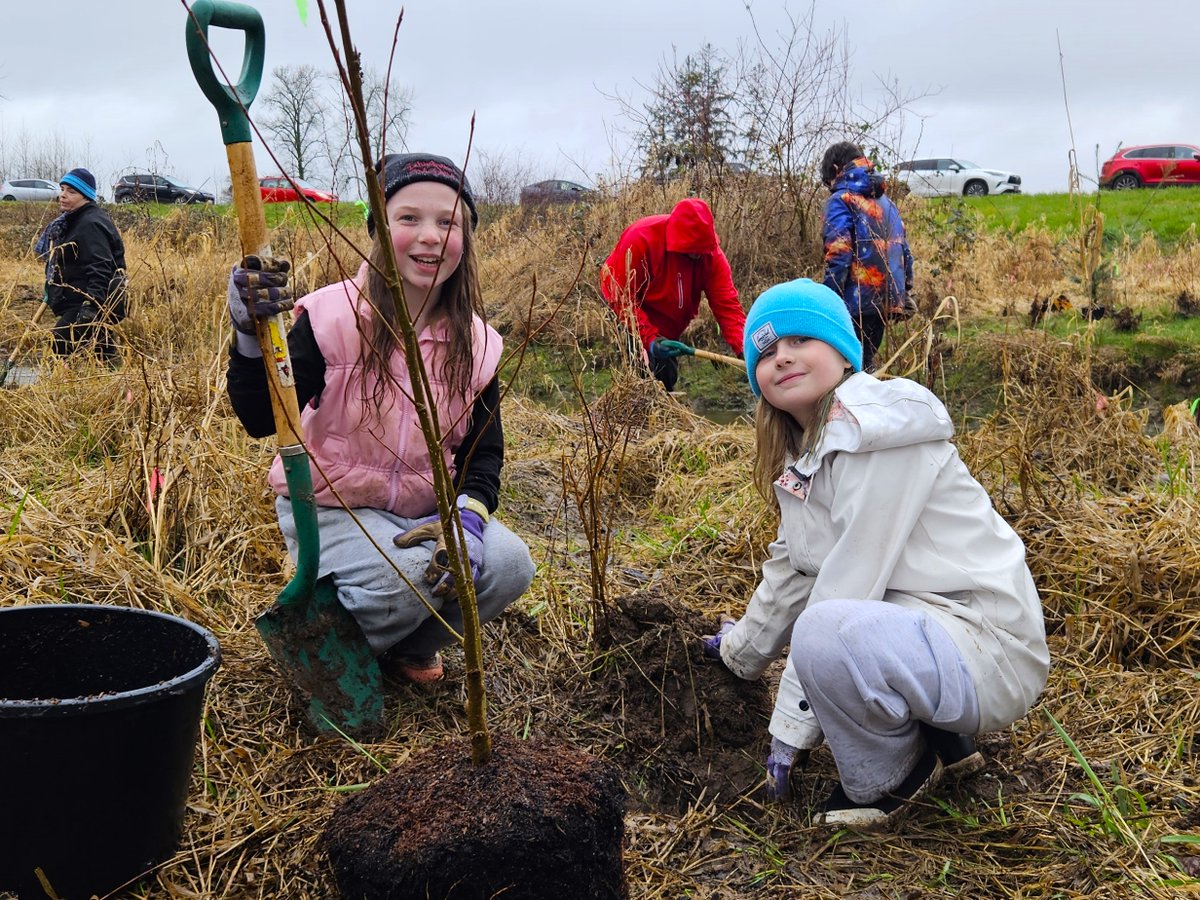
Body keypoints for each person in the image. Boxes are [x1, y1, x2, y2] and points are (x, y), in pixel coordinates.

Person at [702, 278, 1048, 829]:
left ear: (842, 351)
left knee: (826, 629)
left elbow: (849, 582)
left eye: (799, 340)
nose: (781, 357)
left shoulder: (876, 435)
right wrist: (739, 653)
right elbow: (793, 567)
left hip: (988, 645)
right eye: (764, 353)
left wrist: (789, 727)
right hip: (937, 634)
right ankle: (941, 733)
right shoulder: (807, 455)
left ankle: (893, 779)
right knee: (834, 622)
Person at [226, 153, 535, 684]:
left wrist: (467, 519)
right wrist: (249, 334)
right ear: (378, 227)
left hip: (418, 516)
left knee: (507, 564)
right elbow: (260, 416)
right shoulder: (329, 317)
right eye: (409, 218)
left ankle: (408, 647)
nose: (431, 236)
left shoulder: (479, 345)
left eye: (449, 222)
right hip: (327, 507)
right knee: (413, 576)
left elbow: (484, 452)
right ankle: (322, 658)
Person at [599, 197, 745, 391]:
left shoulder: (711, 255)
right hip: (630, 306)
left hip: (670, 315)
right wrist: (650, 340)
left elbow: (728, 307)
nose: (698, 257)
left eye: (701, 252)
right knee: (645, 369)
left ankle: (663, 406)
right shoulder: (641, 239)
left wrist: (747, 350)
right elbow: (621, 297)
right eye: (692, 253)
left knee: (666, 374)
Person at [820, 142, 913, 372]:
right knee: (866, 365)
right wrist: (906, 290)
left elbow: (839, 253)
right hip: (887, 300)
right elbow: (905, 251)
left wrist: (827, 301)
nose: (830, 188)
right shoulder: (887, 202)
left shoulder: (841, 200)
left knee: (847, 370)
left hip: (855, 302)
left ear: (835, 169)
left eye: (828, 182)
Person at [37, 168, 128, 359]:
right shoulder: (72, 221)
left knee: (59, 343)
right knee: (101, 356)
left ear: (86, 195)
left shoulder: (89, 224)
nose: (63, 195)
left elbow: (102, 267)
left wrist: (91, 307)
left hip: (85, 304)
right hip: (78, 302)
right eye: (62, 189)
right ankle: (120, 385)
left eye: (71, 191)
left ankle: (62, 386)